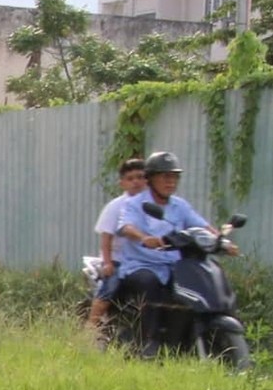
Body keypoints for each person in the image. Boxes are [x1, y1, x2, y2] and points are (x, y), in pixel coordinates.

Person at [110, 151, 223, 356]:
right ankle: (149, 342)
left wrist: (221, 240)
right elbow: (126, 226)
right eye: (165, 176)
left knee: (192, 286)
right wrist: (144, 238)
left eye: (174, 176)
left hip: (174, 265)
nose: (170, 181)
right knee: (149, 282)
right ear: (151, 178)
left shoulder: (180, 205)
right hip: (141, 264)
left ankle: (181, 342)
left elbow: (201, 225)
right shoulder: (136, 203)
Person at [87, 158, 148, 338]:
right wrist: (107, 263)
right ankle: (91, 326)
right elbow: (106, 238)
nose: (136, 181)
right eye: (130, 178)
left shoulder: (153, 205)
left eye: (140, 177)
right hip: (118, 259)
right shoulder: (115, 207)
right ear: (122, 183)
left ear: (148, 180)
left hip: (145, 259)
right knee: (111, 284)